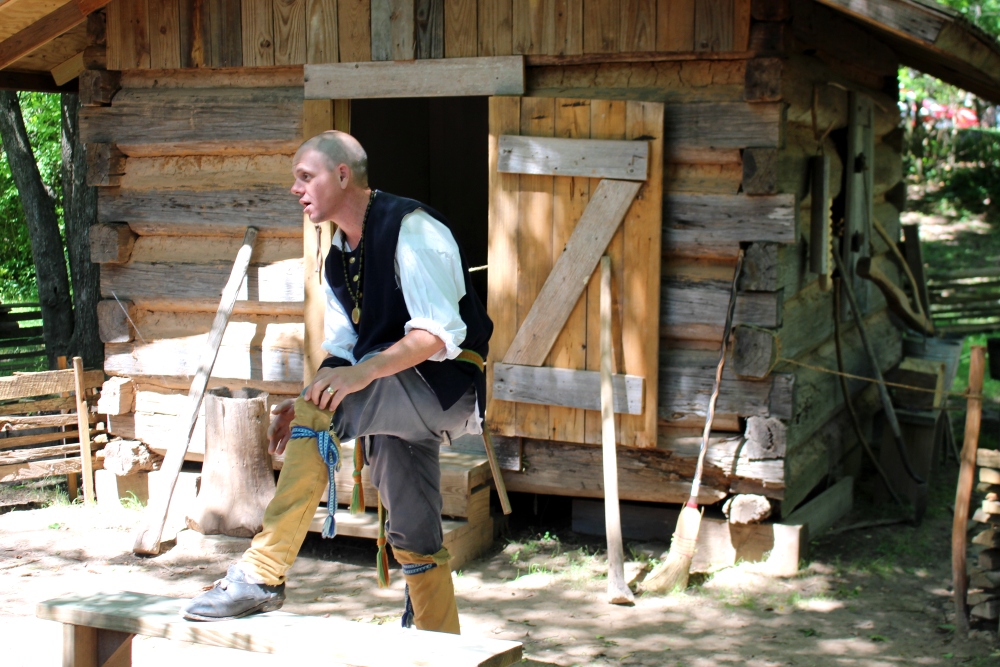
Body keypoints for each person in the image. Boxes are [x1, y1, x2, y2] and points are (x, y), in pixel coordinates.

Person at [182, 130, 493, 635]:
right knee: (411, 524)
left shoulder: (412, 228)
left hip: (444, 389)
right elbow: (344, 350)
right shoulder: (335, 260)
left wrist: (344, 387)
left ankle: (262, 574)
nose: (295, 188)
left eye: (306, 176)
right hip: (395, 396)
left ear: (343, 175)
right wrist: (307, 395)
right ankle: (438, 634)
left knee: (322, 411)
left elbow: (438, 334)